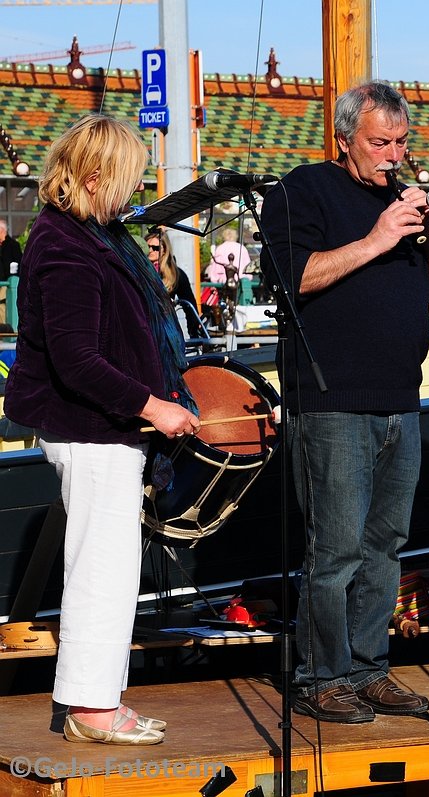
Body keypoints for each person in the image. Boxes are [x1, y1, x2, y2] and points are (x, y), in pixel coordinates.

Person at [259, 80, 429, 724]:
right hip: (332, 401)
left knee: (386, 546)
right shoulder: (303, 190)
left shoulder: (405, 205)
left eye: (401, 142)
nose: (392, 154)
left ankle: (370, 667)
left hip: (400, 399)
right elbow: (290, 278)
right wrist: (378, 238)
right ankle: (322, 676)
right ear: (345, 140)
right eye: (380, 142)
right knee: (336, 547)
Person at [3, 114, 200, 743]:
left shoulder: (85, 236)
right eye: (127, 180)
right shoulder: (66, 246)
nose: (133, 193)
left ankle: (94, 701)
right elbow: (76, 359)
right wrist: (155, 407)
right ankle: (92, 708)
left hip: (101, 429)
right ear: (95, 177)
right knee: (103, 568)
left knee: (108, 565)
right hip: (90, 429)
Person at [145, 228, 203, 338]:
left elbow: (189, 305)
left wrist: (193, 332)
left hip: (165, 327)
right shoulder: (137, 270)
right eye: (147, 247)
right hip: (143, 325)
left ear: (164, 250)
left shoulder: (175, 274)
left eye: (155, 248)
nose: (150, 251)